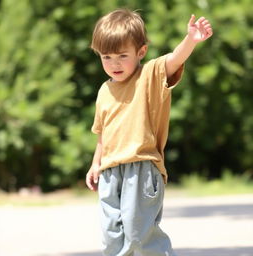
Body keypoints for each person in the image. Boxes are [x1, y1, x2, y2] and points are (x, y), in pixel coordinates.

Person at [86, 8, 213, 256]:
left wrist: (191, 40)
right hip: (110, 173)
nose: (114, 64)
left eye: (122, 55)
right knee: (112, 238)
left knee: (139, 236)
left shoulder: (149, 75)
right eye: (106, 57)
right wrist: (95, 164)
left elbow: (175, 59)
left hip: (141, 169)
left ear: (140, 52)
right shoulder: (104, 90)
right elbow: (102, 132)